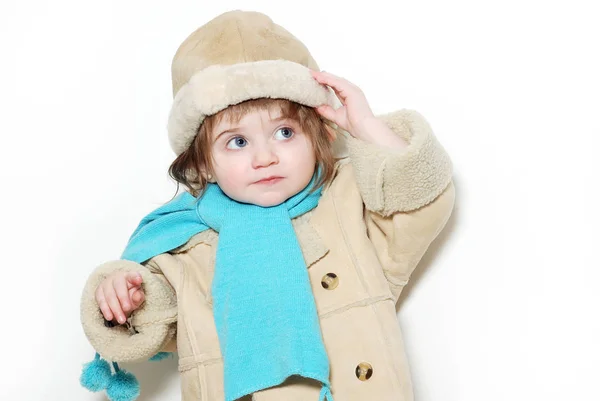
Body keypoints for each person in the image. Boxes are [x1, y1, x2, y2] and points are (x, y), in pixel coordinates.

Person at [79, 9, 456, 401]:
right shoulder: (185, 249)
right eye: (237, 142)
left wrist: (366, 127)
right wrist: (123, 296)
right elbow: (155, 322)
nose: (265, 157)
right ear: (205, 163)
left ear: (319, 136)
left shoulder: (349, 204)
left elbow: (422, 206)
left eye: (285, 132)